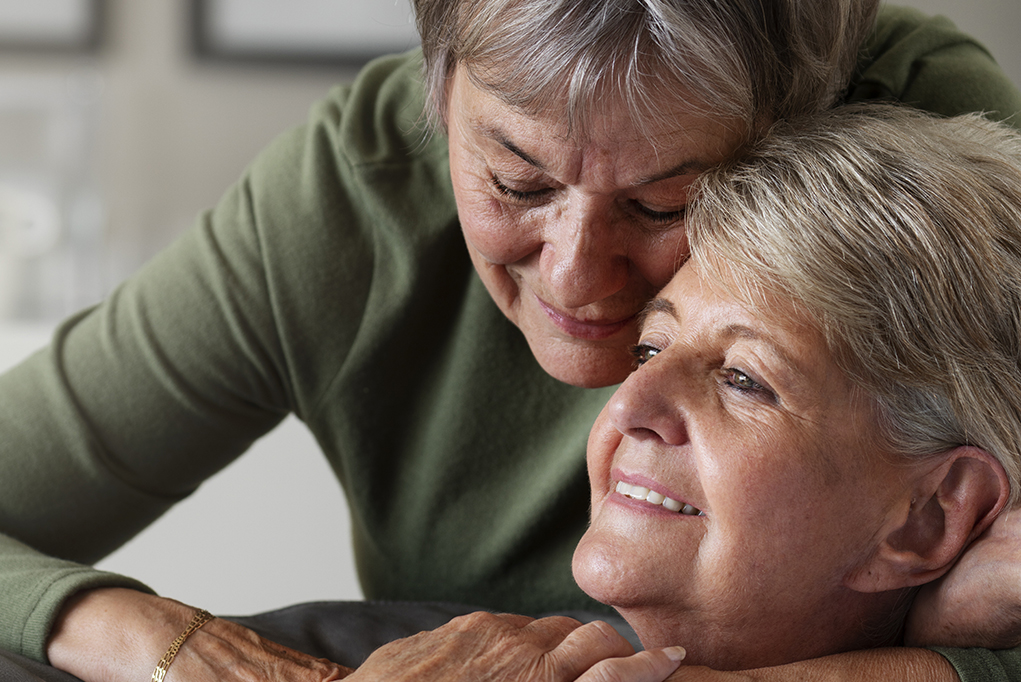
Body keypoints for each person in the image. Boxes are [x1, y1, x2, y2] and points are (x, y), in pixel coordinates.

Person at [1, 1, 1020, 681]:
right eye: (516, 182)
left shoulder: (928, 171)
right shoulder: (351, 202)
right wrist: (167, 646)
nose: (578, 279)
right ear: (438, 101)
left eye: (667, 202)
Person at [344, 104, 1021, 681]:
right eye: (649, 350)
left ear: (927, 517)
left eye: (743, 380)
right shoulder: (407, 658)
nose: (627, 406)